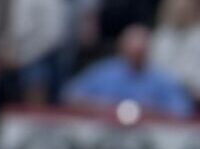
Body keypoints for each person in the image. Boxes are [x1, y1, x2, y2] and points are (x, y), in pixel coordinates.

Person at [63, 24, 194, 119]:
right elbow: (70, 95)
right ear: (121, 48)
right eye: (132, 52)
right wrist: (104, 108)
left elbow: (182, 109)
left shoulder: (162, 77)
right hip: (105, 134)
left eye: (140, 53)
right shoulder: (103, 71)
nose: (135, 57)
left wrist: (148, 112)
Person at [0, 0, 71, 104]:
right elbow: (14, 25)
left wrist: (25, 56)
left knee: (36, 89)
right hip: (17, 55)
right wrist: (7, 48)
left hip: (40, 57)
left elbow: (54, 35)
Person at [147, 0, 200, 99]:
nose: (180, 13)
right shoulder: (160, 36)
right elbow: (153, 70)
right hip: (162, 96)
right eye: (176, 8)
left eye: (184, 9)